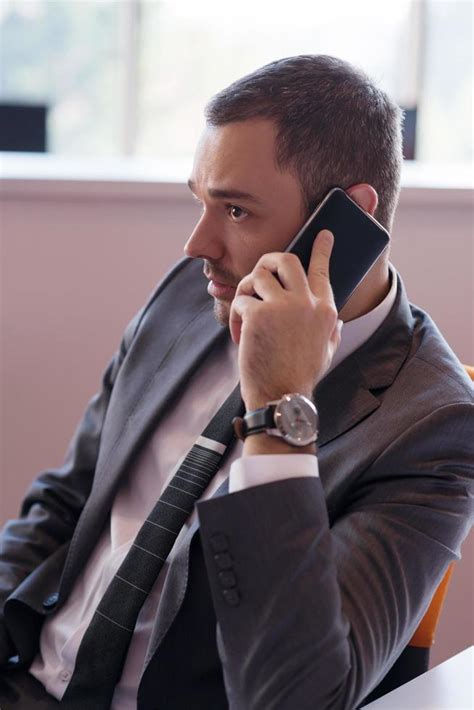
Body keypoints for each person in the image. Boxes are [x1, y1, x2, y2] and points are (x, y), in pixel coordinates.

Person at [0, 54, 472, 710]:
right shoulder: (189, 299)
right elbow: (67, 503)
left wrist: (280, 409)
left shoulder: (435, 426)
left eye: (237, 212)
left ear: (350, 219)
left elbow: (296, 695)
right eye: (200, 201)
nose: (198, 244)